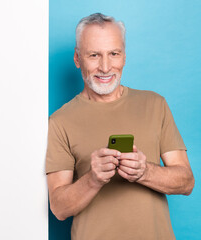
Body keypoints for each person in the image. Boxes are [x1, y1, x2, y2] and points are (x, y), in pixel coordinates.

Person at [46, 13, 194, 240]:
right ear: (77, 59)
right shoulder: (60, 121)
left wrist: (145, 172)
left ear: (124, 56)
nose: (105, 67)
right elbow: (59, 208)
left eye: (114, 54)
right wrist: (92, 179)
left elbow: (186, 182)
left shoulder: (155, 104)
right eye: (94, 55)